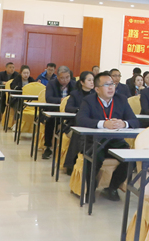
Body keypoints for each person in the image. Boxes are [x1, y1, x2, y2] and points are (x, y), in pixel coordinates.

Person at [76, 71, 140, 201]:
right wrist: (103, 124)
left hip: (115, 142)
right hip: (94, 141)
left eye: (112, 84)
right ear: (97, 89)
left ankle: (112, 188)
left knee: (131, 159)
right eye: (106, 85)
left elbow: (135, 121)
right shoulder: (89, 100)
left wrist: (124, 123)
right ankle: (90, 189)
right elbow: (80, 119)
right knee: (95, 156)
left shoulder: (121, 99)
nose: (111, 87)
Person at [41, 66, 74, 159]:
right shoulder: (52, 83)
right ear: (58, 77)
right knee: (50, 121)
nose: (65, 80)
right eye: (62, 78)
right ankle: (48, 147)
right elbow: (49, 98)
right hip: (54, 111)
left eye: (67, 77)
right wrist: (62, 100)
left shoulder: (74, 84)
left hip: (69, 112)